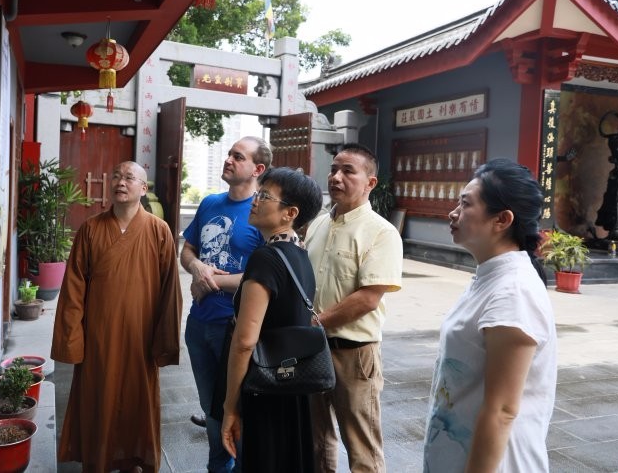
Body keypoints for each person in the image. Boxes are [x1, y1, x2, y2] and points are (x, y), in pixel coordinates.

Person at [423, 158, 557, 472]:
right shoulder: (492, 278)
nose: (453, 213)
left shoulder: (513, 292)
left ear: (502, 220)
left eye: (465, 204)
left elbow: (502, 411)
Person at [51, 161, 182, 473]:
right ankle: (99, 459)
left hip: (141, 335)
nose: (121, 182)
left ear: (143, 188)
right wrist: (73, 340)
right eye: (117, 176)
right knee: (99, 398)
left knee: (138, 400)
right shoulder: (91, 229)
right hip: (100, 335)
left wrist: (164, 341)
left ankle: (133, 457)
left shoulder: (158, 231)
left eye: (130, 177)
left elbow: (170, 292)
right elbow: (73, 289)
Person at [304, 143, 403, 472]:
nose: (336, 177)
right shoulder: (317, 224)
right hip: (312, 350)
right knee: (316, 440)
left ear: (370, 182)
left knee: (362, 448)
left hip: (354, 354)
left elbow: (368, 297)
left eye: (348, 171)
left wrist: (316, 321)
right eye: (334, 169)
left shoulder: (381, 232)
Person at [221, 167, 323, 472]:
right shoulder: (299, 255)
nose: (255, 200)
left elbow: (244, 342)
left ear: (289, 213)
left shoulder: (265, 258)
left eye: (264, 196)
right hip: (291, 385)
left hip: (264, 387)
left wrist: (229, 407)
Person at [180, 136, 272, 473]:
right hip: (199, 321)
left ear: (257, 169)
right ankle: (218, 466)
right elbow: (187, 251)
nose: (229, 160)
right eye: (229, 154)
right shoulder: (209, 203)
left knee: (237, 407)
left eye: (238, 156)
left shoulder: (262, 212)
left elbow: (265, 272)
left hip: (235, 326)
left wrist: (212, 281)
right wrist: (198, 268)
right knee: (211, 406)